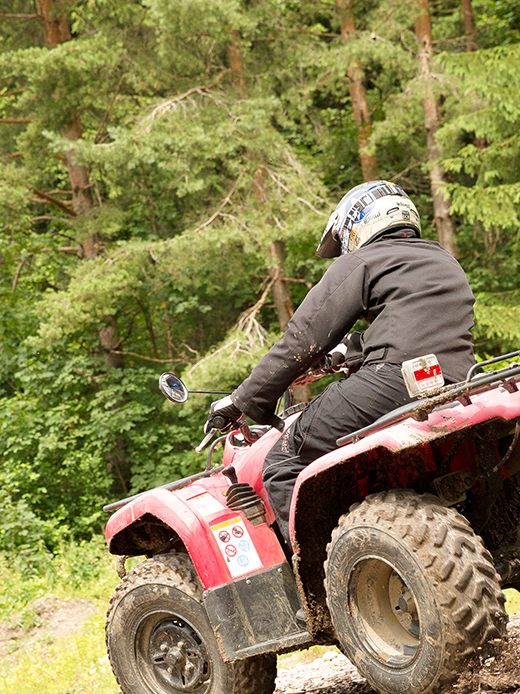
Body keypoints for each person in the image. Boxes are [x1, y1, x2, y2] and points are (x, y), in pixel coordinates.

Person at [204, 181, 477, 549]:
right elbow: (415, 325)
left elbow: (303, 338)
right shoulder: (440, 258)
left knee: (284, 462)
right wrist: (348, 353)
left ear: (357, 225)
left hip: (392, 381)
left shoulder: (363, 260)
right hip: (460, 381)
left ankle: (320, 587)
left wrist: (244, 400)